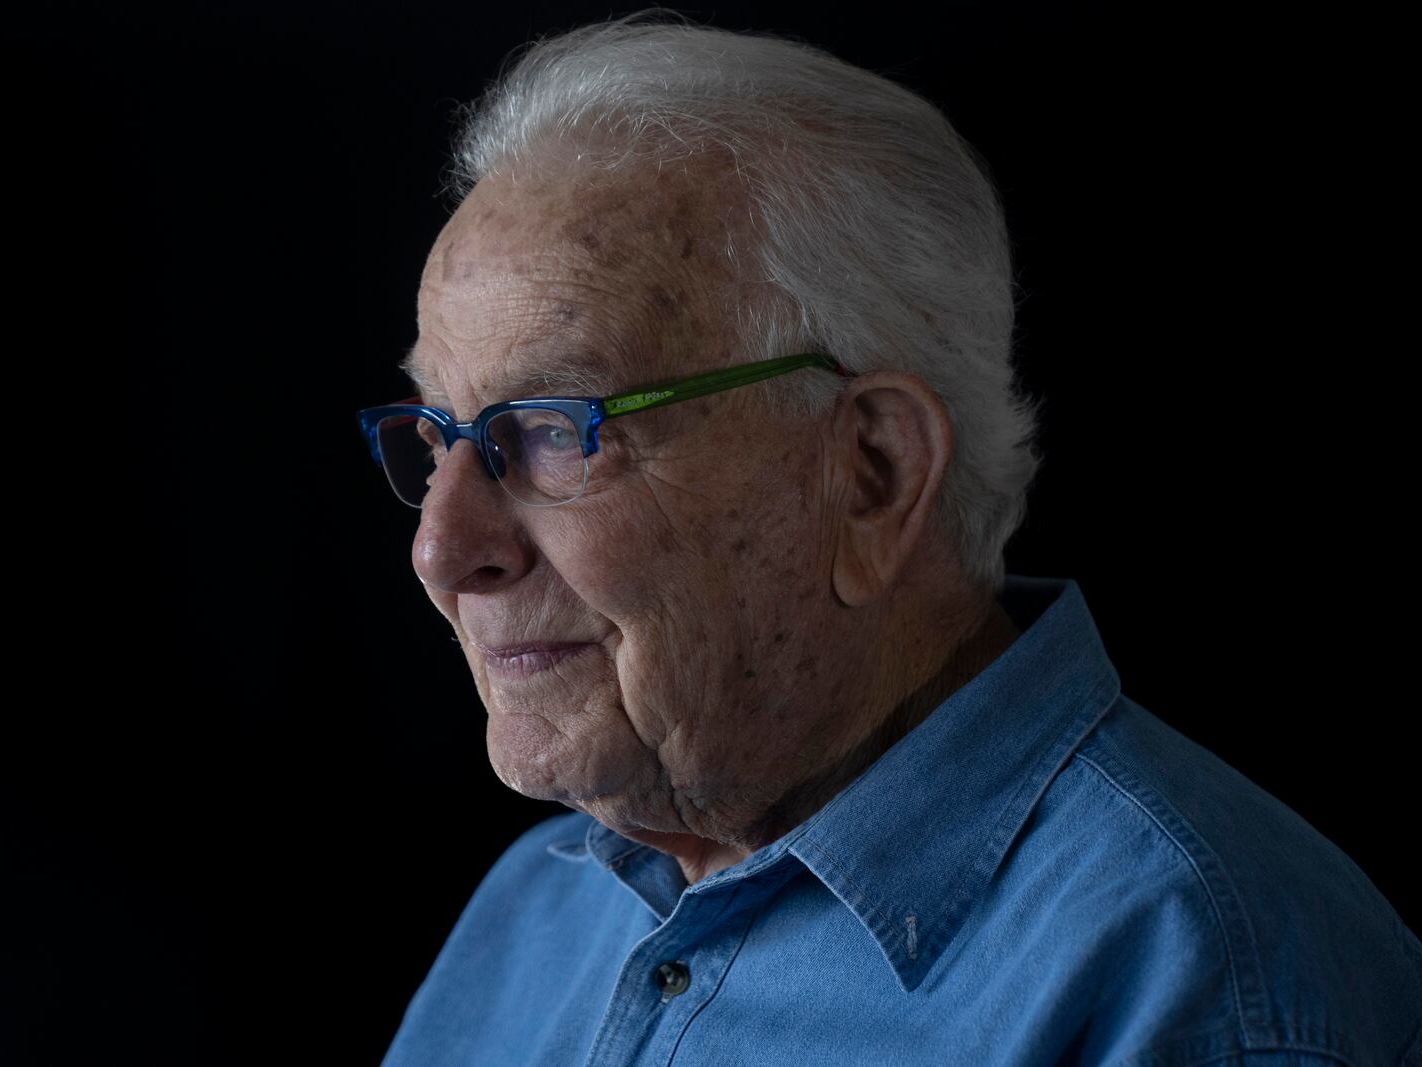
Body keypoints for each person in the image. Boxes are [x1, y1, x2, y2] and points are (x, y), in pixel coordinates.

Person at [364, 13, 1422, 1066]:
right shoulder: (536, 905)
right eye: (436, 435)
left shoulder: (1199, 981)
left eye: (551, 430)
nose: (443, 551)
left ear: (872, 471)